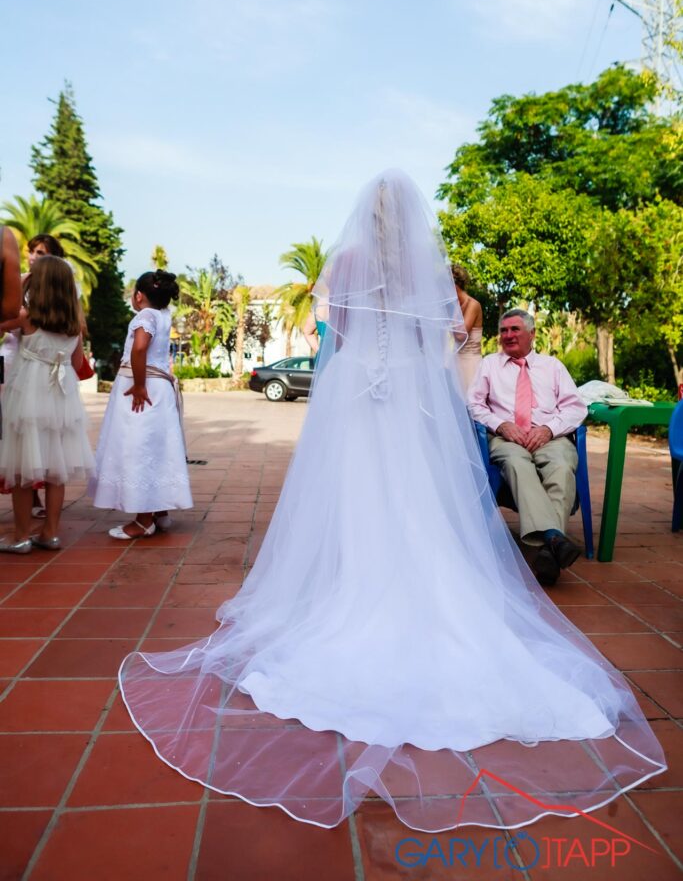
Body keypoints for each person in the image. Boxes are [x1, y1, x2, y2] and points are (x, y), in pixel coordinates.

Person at [118, 170, 665, 833]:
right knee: (414, 498)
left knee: (354, 496)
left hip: (357, 389)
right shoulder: (426, 269)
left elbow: (339, 334)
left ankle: (352, 585)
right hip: (406, 391)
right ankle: (418, 588)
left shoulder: (346, 261)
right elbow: (435, 338)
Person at [468, 308, 586, 586]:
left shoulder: (553, 366)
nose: (507, 336)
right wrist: (500, 425)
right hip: (508, 439)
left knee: (562, 465)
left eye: (515, 330)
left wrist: (549, 429)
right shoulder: (489, 365)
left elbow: (576, 408)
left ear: (532, 334)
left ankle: (549, 549)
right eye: (504, 331)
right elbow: (473, 404)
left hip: (550, 437)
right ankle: (554, 539)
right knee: (517, 464)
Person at [0, 256, 93, 554]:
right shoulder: (74, 325)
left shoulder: (26, 317)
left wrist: (18, 282)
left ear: (34, 284)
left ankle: (21, 535)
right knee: (56, 468)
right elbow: (78, 364)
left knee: (21, 469)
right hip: (61, 398)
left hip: (28, 395)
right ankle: (50, 533)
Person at [89, 269, 191, 537]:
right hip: (162, 388)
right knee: (157, 446)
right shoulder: (164, 315)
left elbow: (139, 348)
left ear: (138, 296)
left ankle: (143, 520)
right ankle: (160, 511)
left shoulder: (145, 316)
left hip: (144, 387)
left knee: (137, 447)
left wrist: (139, 384)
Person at [451, 264, 483, 390]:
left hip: (470, 365)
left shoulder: (473, 305)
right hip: (455, 363)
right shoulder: (455, 305)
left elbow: (460, 335)